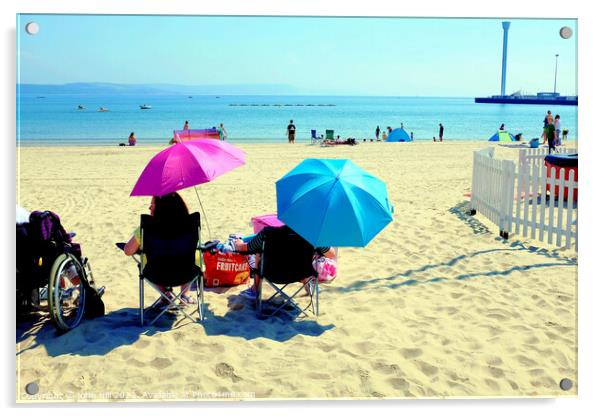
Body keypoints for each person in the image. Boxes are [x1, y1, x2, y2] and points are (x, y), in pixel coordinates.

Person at [123, 192, 197, 305]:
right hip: (186, 273)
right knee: (194, 254)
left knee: (144, 261)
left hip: (157, 274)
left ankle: (166, 296)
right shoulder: (190, 225)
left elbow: (128, 251)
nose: (149, 207)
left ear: (161, 208)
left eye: (152, 204)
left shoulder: (146, 228)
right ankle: (185, 294)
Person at [233, 226, 336, 298]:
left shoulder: (267, 233)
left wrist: (238, 242)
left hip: (271, 274)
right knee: (305, 257)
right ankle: (309, 287)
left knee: (258, 254)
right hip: (299, 275)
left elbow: (245, 248)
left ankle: (255, 289)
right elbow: (332, 255)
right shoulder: (312, 236)